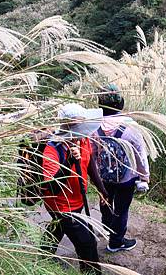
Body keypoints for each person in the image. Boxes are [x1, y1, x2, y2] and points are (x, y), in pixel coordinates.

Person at [42, 103, 109, 274]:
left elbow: (89, 161)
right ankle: (92, 272)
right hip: (62, 206)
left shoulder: (82, 138)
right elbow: (51, 188)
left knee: (59, 227)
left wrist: (101, 188)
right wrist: (69, 162)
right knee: (87, 243)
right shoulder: (52, 150)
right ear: (70, 127)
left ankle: (43, 253)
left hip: (78, 199)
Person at [95, 84, 150, 253]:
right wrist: (144, 177)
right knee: (121, 208)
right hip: (126, 178)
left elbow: (90, 152)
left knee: (105, 202)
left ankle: (107, 226)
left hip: (103, 176)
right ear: (121, 104)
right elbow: (140, 154)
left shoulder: (93, 126)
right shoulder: (131, 127)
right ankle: (116, 242)